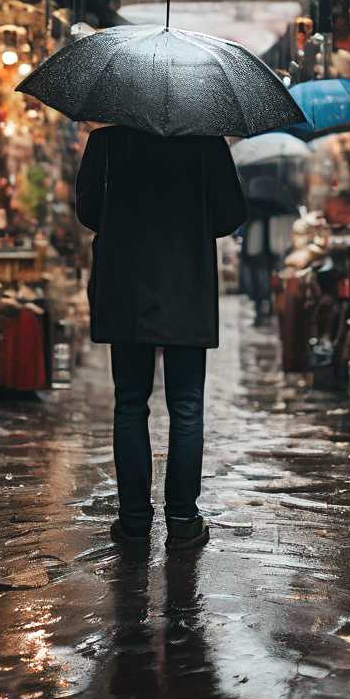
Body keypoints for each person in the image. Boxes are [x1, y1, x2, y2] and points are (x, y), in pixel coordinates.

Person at [74, 123, 247, 551]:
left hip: (126, 285)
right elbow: (230, 215)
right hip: (186, 284)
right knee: (186, 406)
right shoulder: (207, 143)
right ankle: (184, 521)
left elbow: (88, 210)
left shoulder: (107, 142)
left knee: (130, 403)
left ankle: (133, 522)